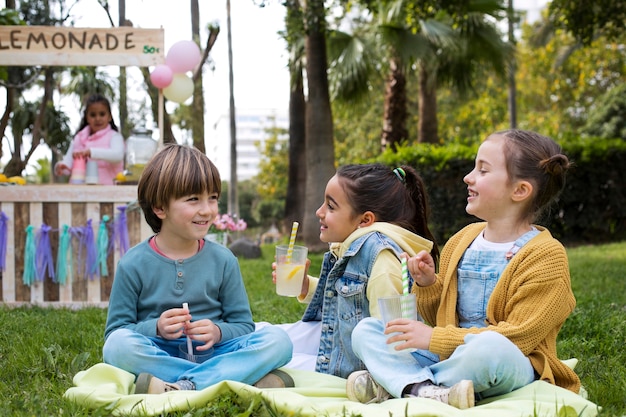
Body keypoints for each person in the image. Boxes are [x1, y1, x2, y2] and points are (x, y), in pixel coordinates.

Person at [346, 129, 580, 409]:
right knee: (368, 330)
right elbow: (439, 317)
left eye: (483, 170)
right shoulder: (463, 240)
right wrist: (428, 284)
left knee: (489, 349)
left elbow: (519, 337)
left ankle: (402, 384)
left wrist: (433, 338)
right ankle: (427, 390)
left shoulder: (546, 256)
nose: (468, 177)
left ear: (520, 191)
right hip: (449, 357)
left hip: (511, 363)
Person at [102, 144, 293, 394]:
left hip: (216, 353)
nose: (207, 210)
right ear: (160, 208)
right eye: (193, 199)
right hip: (160, 353)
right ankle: (230, 379)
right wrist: (156, 328)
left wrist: (217, 331)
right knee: (117, 346)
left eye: (212, 198)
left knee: (279, 341)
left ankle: (183, 385)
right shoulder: (132, 263)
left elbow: (243, 325)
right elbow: (116, 331)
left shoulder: (224, 260)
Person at [259, 163, 439, 379]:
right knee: (262, 333)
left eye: (331, 207)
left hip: (354, 364)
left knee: (269, 361)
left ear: (365, 220)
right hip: (341, 340)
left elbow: (387, 340)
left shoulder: (382, 257)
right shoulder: (354, 246)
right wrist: (306, 286)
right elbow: (349, 299)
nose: (319, 212)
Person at [54, 94, 124, 185]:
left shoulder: (114, 137)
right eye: (93, 115)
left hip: (108, 191)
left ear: (109, 116)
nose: (98, 118)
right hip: (81, 193)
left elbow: (117, 156)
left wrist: (91, 152)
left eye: (102, 114)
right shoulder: (79, 138)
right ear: (87, 117)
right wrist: (62, 167)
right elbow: (69, 162)